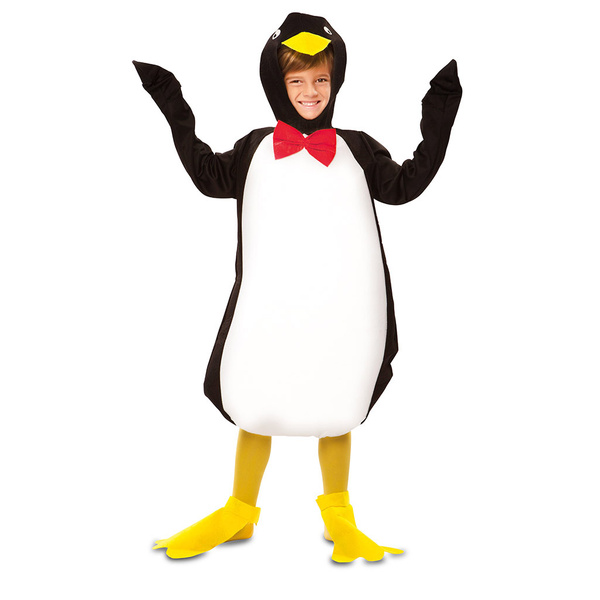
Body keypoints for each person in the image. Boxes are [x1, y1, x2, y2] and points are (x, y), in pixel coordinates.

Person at [133, 12, 461, 563]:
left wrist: (442, 108)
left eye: (321, 79)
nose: (310, 91)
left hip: (344, 309)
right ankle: (239, 509)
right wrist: (171, 101)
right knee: (257, 397)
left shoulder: (356, 148)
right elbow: (207, 175)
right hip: (270, 307)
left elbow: (405, 185)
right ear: (275, 83)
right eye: (297, 80)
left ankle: (339, 515)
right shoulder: (256, 148)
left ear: (336, 81)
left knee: (337, 396)